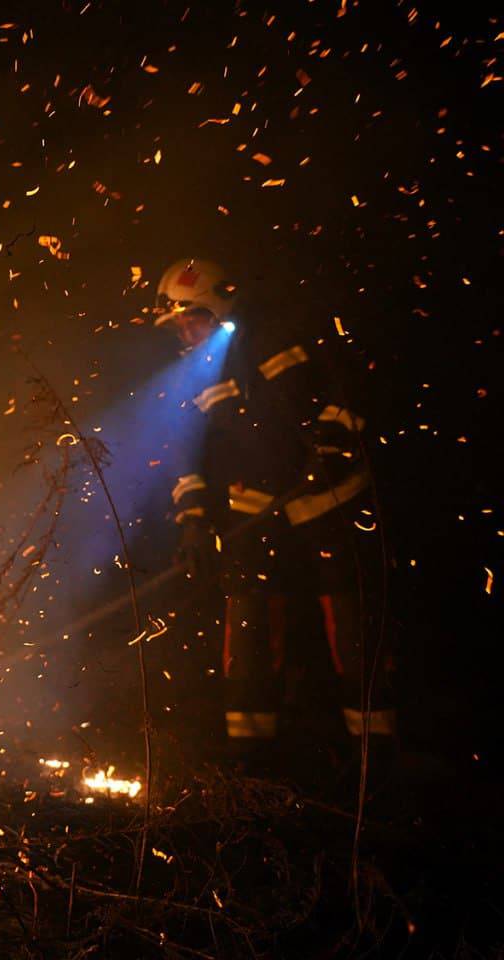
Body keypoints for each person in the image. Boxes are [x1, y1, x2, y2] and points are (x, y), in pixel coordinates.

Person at [153, 257, 395, 767]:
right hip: (256, 512)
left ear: (219, 311)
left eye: (192, 320)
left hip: (333, 502)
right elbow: (189, 458)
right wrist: (193, 520)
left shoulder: (281, 341)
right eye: (179, 325)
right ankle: (249, 757)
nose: (186, 333)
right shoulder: (195, 380)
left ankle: (377, 752)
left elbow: (346, 390)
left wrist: (331, 447)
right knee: (248, 629)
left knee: (351, 627)